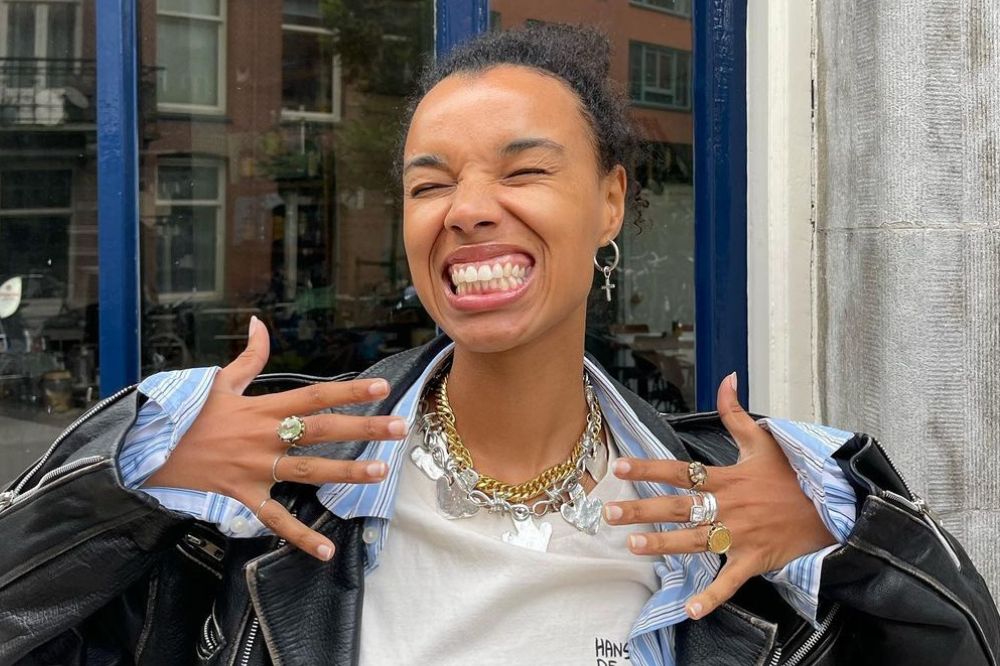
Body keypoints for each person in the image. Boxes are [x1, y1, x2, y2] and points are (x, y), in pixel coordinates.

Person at [1, 24, 997, 666]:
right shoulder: (277, 487)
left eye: (523, 170)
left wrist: (849, 536)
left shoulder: (735, 510)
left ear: (611, 199)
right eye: (430, 184)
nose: (469, 211)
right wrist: (127, 475)